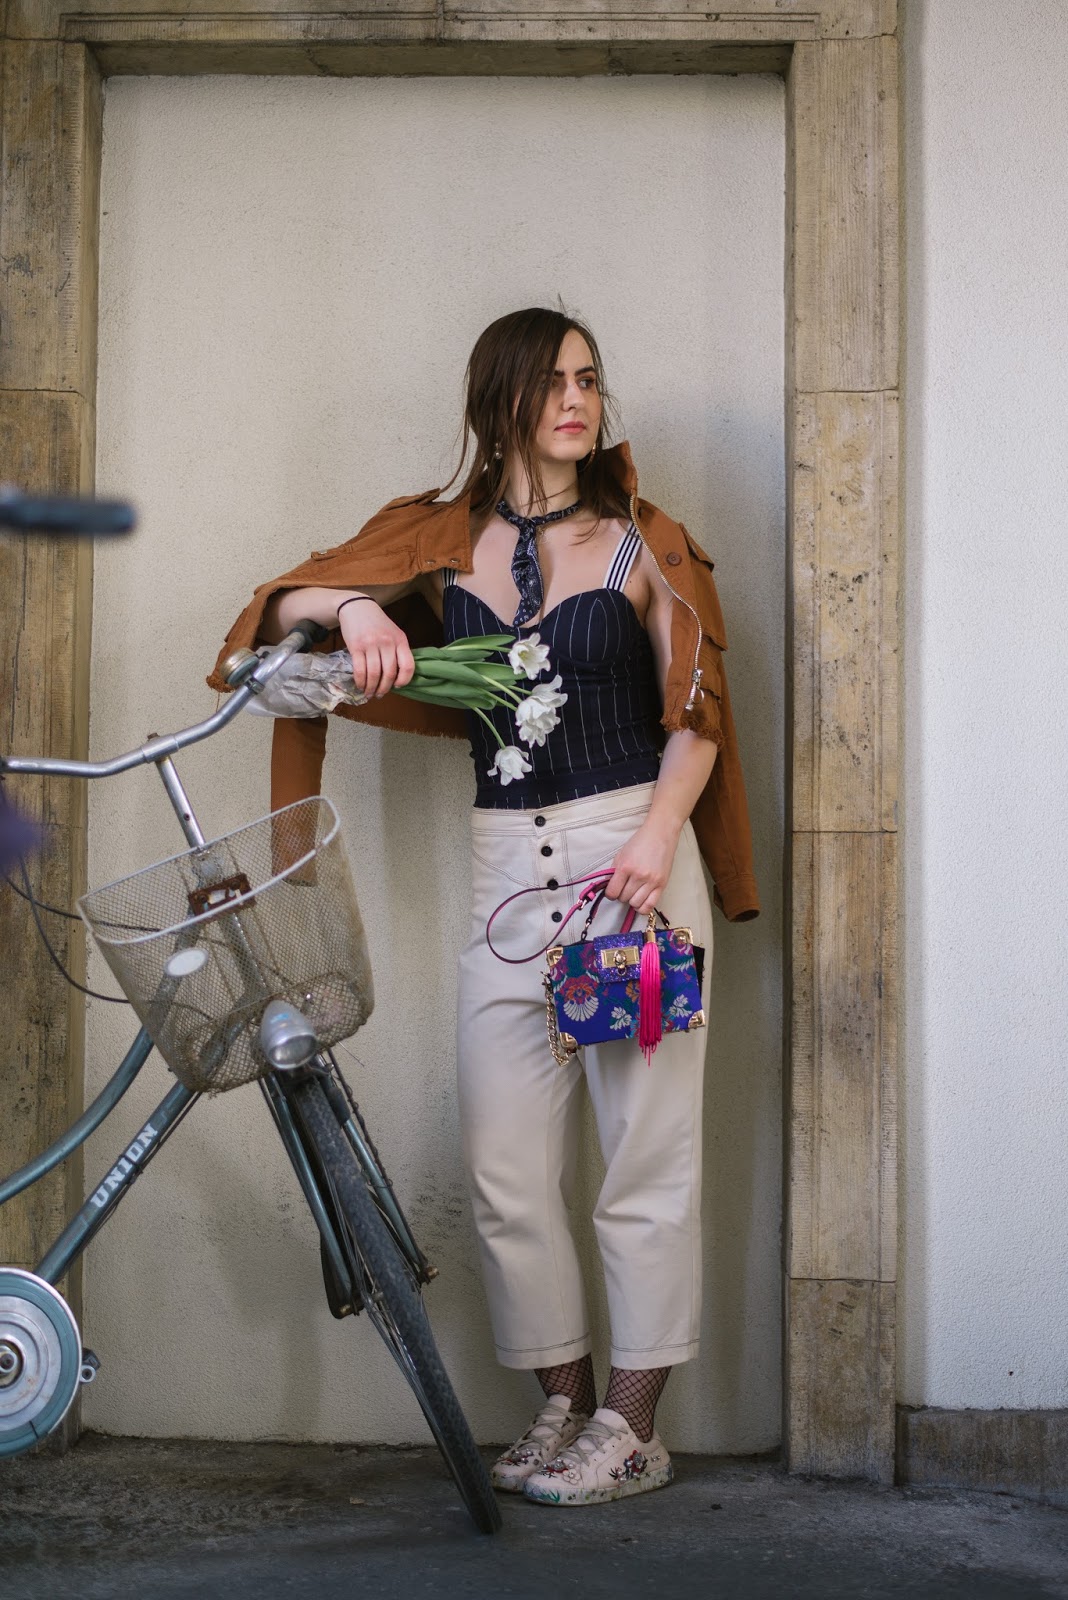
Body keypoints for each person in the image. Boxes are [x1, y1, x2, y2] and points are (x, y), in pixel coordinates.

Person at [210, 306, 759, 1506]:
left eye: (590, 379)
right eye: (552, 380)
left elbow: (697, 709)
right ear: (497, 399)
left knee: (644, 1156)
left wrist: (658, 838)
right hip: (507, 870)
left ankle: (633, 1425)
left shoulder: (642, 541)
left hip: (627, 873)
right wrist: (357, 609)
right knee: (507, 1164)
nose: (576, 399)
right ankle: (562, 1400)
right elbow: (280, 608)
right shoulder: (441, 540)